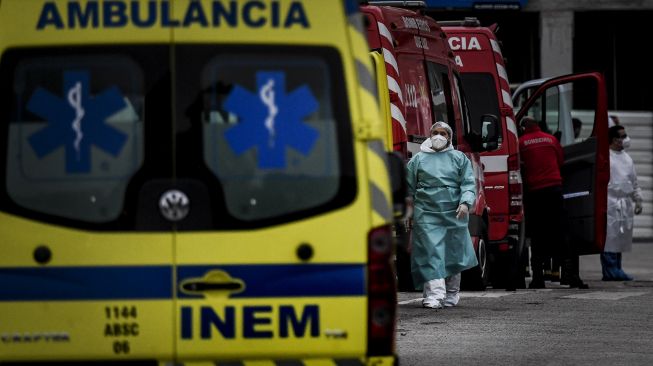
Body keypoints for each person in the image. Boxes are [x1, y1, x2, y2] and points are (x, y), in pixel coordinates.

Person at [405, 121, 477, 309]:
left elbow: (468, 184)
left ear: (449, 137)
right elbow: (409, 188)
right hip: (426, 213)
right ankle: (436, 295)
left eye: (443, 133)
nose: (438, 136)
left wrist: (465, 203)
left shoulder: (459, 158)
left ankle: (452, 294)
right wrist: (408, 212)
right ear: (429, 135)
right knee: (431, 253)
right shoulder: (418, 159)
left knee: (453, 254)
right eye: (435, 132)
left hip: (454, 212)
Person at [518, 116, 588, 289]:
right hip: (555, 191)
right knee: (562, 233)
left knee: (537, 236)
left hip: (535, 194)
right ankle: (571, 276)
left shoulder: (521, 142)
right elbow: (561, 161)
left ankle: (538, 279)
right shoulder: (551, 139)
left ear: (523, 127)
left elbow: (520, 166)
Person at [601, 125, 642, 281]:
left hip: (624, 203)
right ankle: (610, 270)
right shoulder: (606, 157)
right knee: (610, 238)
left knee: (620, 238)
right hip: (610, 202)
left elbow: (634, 181)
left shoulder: (627, 158)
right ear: (613, 139)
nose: (626, 139)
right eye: (623, 136)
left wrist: (638, 199)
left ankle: (617, 268)